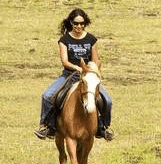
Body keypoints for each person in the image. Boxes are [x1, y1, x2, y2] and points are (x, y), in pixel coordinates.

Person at [34, 8, 114, 141]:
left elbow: (96, 59)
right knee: (47, 96)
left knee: (108, 101)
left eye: (82, 23)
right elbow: (65, 61)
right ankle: (47, 126)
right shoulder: (64, 40)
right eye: (76, 23)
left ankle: (103, 127)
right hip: (69, 75)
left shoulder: (91, 39)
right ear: (71, 23)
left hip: (88, 76)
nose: (79, 26)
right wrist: (77, 68)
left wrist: (94, 67)